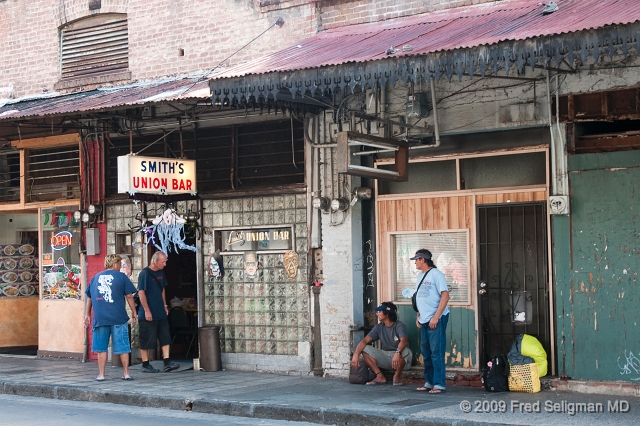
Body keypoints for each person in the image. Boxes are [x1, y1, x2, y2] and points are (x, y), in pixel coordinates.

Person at [84, 254, 138, 381]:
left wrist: (87, 314)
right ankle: (126, 373)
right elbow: (129, 296)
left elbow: (90, 298)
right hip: (118, 317)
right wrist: (134, 312)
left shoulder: (95, 278)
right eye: (119, 264)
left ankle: (101, 374)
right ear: (114, 264)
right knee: (123, 346)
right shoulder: (121, 276)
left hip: (100, 318)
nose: (120, 266)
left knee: (101, 348)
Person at [412, 249, 450, 394]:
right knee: (426, 352)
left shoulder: (436, 274)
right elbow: (420, 297)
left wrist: (436, 317)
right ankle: (429, 381)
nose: (415, 262)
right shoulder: (420, 276)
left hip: (436, 319)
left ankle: (439, 384)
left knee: (436, 352)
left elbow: (445, 296)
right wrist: (418, 316)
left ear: (423, 260)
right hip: (424, 318)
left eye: (416, 259)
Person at [137, 251, 180, 373]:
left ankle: (167, 361)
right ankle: (145, 364)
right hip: (147, 312)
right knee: (146, 337)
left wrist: (165, 305)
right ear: (155, 261)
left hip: (160, 310)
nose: (165, 264)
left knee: (165, 335)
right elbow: (141, 293)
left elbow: (162, 289)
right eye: (163, 262)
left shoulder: (161, 272)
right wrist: (146, 310)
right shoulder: (144, 274)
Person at [350, 302, 412, 385]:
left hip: (402, 359)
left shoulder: (399, 325)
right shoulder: (379, 327)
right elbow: (364, 341)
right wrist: (356, 354)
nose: (377, 314)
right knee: (364, 348)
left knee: (404, 351)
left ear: (387, 314)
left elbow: (404, 340)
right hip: (387, 357)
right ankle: (379, 376)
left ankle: (396, 377)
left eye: (379, 312)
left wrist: (397, 352)